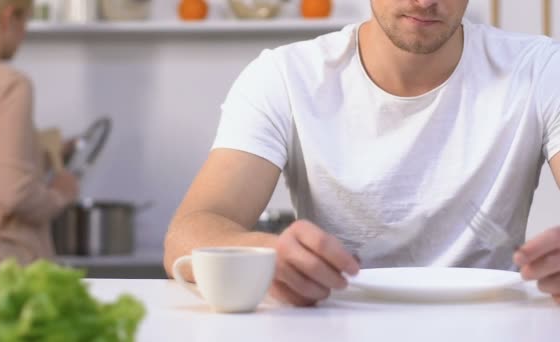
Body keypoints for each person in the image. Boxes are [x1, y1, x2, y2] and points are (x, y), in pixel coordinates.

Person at [164, 0, 560, 306]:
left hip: (493, 322)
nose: (424, 1)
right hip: (333, 319)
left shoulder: (540, 69)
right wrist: (266, 255)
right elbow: (187, 235)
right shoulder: (284, 76)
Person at [0, 0, 79, 273]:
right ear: (9, 17)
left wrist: (41, 155)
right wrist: (62, 193)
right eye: (26, 22)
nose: (24, 35)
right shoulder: (10, 85)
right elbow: (15, 194)